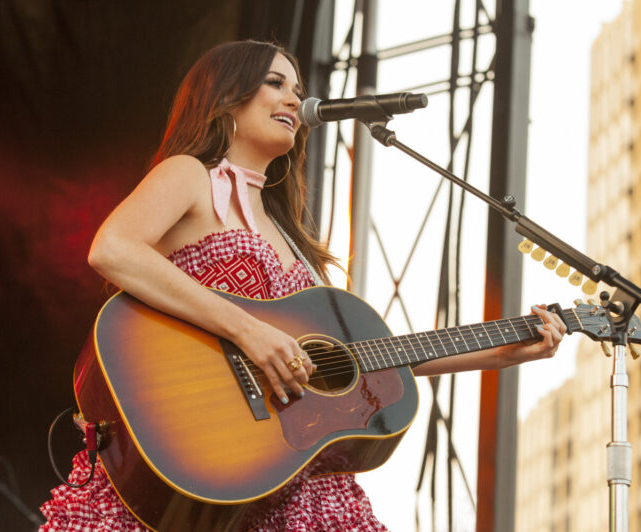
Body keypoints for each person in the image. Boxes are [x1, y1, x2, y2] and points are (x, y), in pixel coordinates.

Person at [38, 40, 566, 531]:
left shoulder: (289, 234)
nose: (296, 97)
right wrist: (251, 333)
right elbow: (112, 249)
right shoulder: (191, 175)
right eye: (276, 83)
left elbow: (356, 358)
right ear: (225, 99)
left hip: (287, 473)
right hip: (197, 443)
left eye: (298, 88)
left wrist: (500, 351)